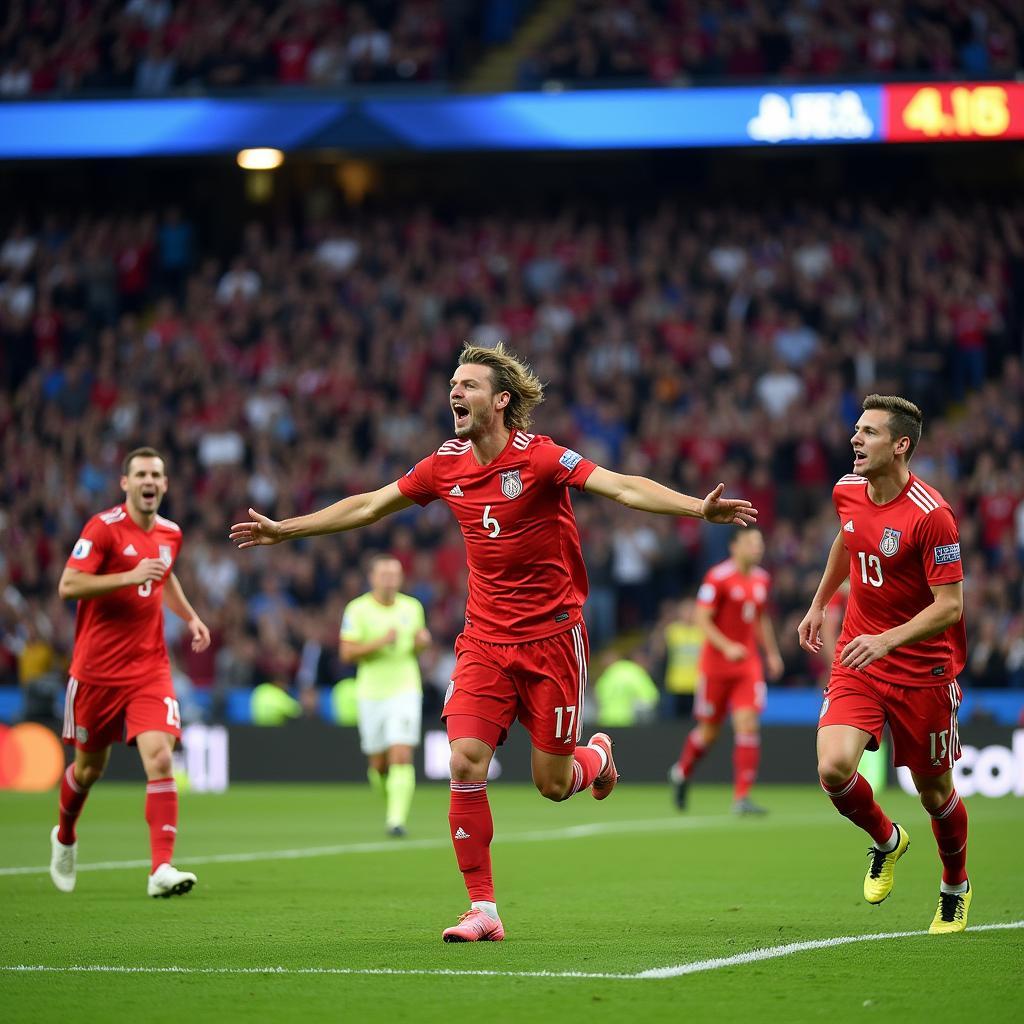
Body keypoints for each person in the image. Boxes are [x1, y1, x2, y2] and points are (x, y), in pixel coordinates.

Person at [231, 341, 757, 942]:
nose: (455, 392)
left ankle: (599, 755)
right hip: (483, 640)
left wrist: (697, 510)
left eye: (469, 385)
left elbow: (621, 487)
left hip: (554, 639)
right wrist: (286, 530)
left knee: (553, 785)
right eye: (453, 384)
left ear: (501, 400)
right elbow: (373, 504)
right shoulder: (444, 463)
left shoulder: (540, 458)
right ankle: (483, 908)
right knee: (463, 761)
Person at [798, 395, 970, 934]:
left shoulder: (932, 516)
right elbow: (847, 543)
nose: (855, 439)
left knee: (934, 791)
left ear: (900, 446)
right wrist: (820, 602)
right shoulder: (846, 491)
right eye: (856, 429)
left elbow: (951, 607)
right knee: (833, 767)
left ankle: (954, 884)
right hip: (860, 659)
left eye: (869, 432)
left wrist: (887, 640)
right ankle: (887, 839)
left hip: (923, 670)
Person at [51, 447, 211, 897]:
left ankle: (160, 869)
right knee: (87, 771)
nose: (148, 480)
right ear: (125, 483)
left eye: (156, 474)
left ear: (164, 484)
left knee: (160, 758)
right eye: (140, 473)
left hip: (148, 668)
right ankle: (64, 836)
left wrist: (190, 616)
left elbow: (164, 577)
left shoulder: (170, 533)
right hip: (96, 673)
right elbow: (69, 585)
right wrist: (128, 575)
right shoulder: (101, 529)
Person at [670, 528, 783, 815]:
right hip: (716, 666)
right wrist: (727, 645)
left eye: (759, 543)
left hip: (747, 664)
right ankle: (681, 772)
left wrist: (771, 653)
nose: (757, 548)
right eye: (751, 543)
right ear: (734, 547)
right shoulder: (717, 577)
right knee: (709, 732)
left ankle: (742, 797)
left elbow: (760, 619)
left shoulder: (761, 579)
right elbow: (701, 619)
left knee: (747, 723)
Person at [339, 553, 432, 837]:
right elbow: (346, 652)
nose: (390, 580)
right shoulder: (357, 610)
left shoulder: (412, 607)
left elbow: (416, 646)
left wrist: (421, 644)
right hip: (371, 692)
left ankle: (396, 820)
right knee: (378, 764)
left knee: (401, 753)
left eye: (395, 575)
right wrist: (380, 642)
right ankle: (391, 801)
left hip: (405, 688)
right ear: (372, 578)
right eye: (384, 575)